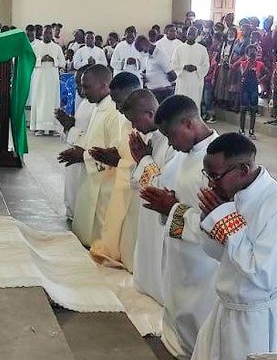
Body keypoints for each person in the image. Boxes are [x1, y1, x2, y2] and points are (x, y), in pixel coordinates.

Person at [192, 133, 277, 360]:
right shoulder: (235, 194)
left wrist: (227, 223)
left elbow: (263, 275)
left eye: (216, 176)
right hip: (228, 309)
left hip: (258, 319)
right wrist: (210, 221)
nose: (211, 183)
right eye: (208, 175)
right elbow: (218, 255)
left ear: (243, 170)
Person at [139, 95, 219, 359]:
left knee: (200, 325)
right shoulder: (184, 153)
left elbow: (218, 225)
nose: (171, 143)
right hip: (178, 253)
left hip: (202, 264)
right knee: (177, 310)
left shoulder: (218, 161)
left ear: (188, 124)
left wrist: (172, 208)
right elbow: (165, 184)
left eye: (172, 135)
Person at [58, 65, 122, 246]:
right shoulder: (97, 107)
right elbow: (92, 138)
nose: (83, 92)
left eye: (87, 87)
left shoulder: (113, 112)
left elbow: (116, 152)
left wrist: (84, 155)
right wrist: (79, 149)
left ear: (104, 86)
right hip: (92, 175)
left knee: (100, 228)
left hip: (106, 181)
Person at [126, 89, 177, 304]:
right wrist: (142, 160)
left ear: (149, 113)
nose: (134, 127)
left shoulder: (173, 143)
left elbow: (165, 187)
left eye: (135, 120)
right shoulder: (154, 138)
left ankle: (156, 288)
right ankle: (147, 283)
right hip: (148, 209)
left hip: (162, 213)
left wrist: (144, 160)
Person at [87, 72, 142, 270]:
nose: (117, 108)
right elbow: (123, 150)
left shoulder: (150, 124)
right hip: (123, 184)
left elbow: (153, 165)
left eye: (120, 102)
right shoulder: (127, 120)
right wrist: (113, 155)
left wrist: (119, 161)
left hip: (138, 190)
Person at [56, 65, 94, 219]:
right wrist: (69, 125)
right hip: (75, 154)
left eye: (82, 85)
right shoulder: (86, 102)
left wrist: (70, 127)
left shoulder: (101, 107)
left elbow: (94, 137)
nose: (79, 89)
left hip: (85, 157)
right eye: (77, 84)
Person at [30, 26, 65, 136]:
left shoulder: (56, 47)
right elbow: (30, 61)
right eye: (46, 33)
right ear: (42, 34)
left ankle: (53, 127)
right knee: (40, 100)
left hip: (52, 78)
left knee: (53, 101)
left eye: (50, 33)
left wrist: (53, 60)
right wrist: (41, 60)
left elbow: (63, 63)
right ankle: (39, 127)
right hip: (39, 77)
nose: (48, 35)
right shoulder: (36, 46)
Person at [231, 44, 267, 139]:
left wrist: (260, 80)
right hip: (245, 87)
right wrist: (248, 63)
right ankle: (241, 129)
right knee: (243, 109)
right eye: (250, 52)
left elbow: (267, 74)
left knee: (253, 110)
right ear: (247, 53)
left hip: (254, 87)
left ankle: (251, 131)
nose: (252, 54)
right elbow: (243, 74)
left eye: (254, 52)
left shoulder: (260, 64)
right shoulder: (243, 63)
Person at [172, 26, 210, 113]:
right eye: (189, 34)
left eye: (193, 34)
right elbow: (173, 63)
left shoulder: (202, 49)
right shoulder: (179, 48)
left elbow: (206, 65)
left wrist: (196, 68)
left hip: (196, 81)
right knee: (181, 103)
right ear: (186, 34)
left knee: (194, 102)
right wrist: (184, 67)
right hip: (183, 80)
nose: (191, 36)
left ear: (197, 36)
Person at [136, 35, 176, 102]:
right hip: (153, 92)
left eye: (141, 50)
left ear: (146, 44)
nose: (142, 53)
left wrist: (161, 81)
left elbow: (173, 76)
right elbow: (155, 72)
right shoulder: (149, 56)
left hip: (163, 93)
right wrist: (147, 77)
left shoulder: (160, 55)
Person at [214, 26, 237, 108]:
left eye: (232, 33)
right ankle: (220, 99)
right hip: (222, 62)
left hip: (231, 64)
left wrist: (230, 62)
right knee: (221, 82)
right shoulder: (224, 43)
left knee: (228, 82)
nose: (230, 34)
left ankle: (228, 101)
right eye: (229, 33)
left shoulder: (236, 43)